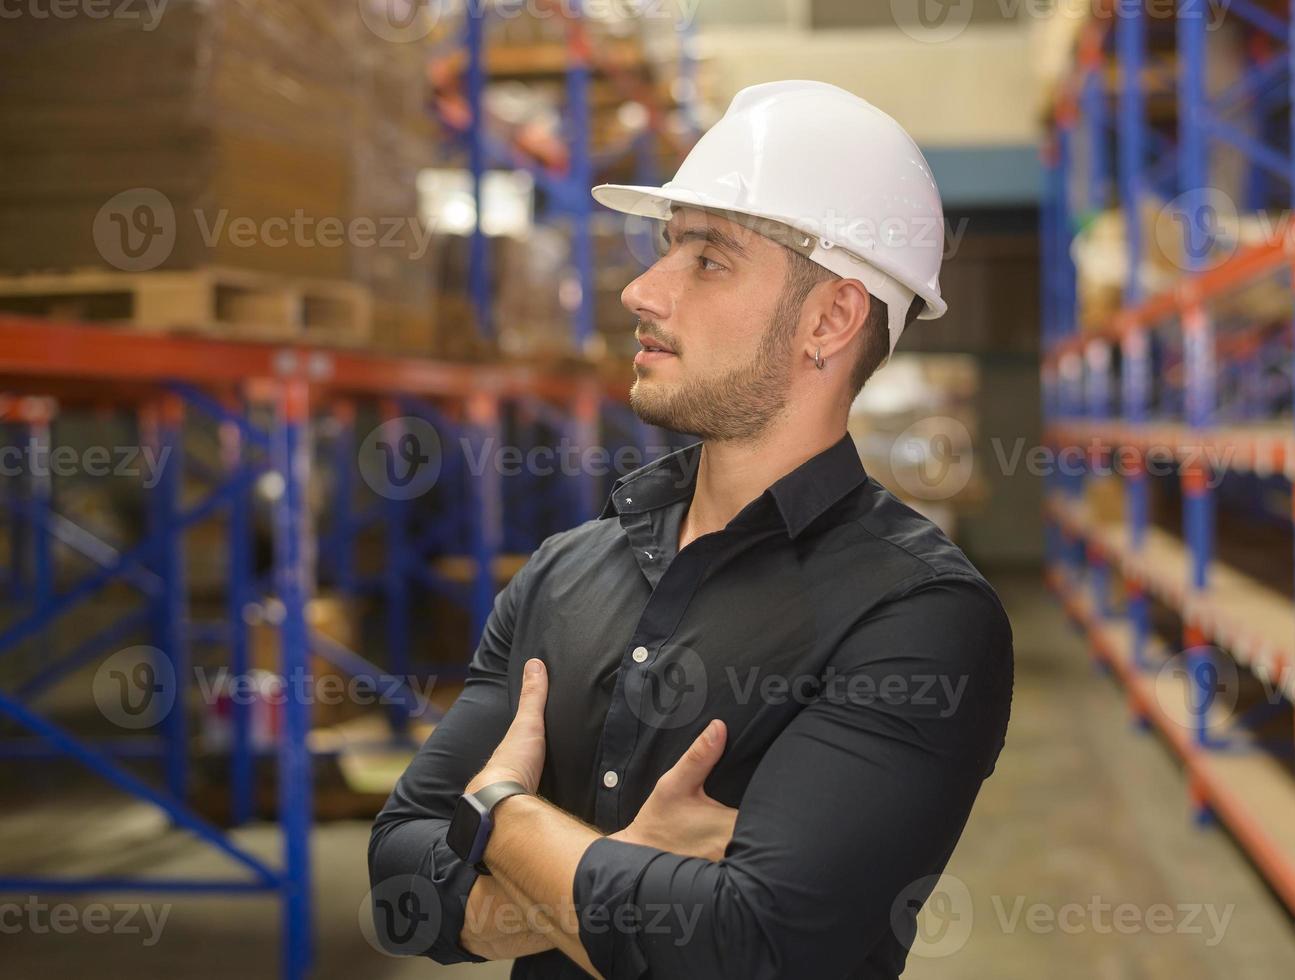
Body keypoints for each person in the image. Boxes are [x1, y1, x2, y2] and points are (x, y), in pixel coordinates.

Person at [368, 79, 1014, 979]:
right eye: (666, 248)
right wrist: (613, 875)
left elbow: (749, 947)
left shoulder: (917, 617)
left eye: (708, 260)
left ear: (829, 319)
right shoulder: (565, 572)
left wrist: (504, 812)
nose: (641, 291)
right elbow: (398, 880)